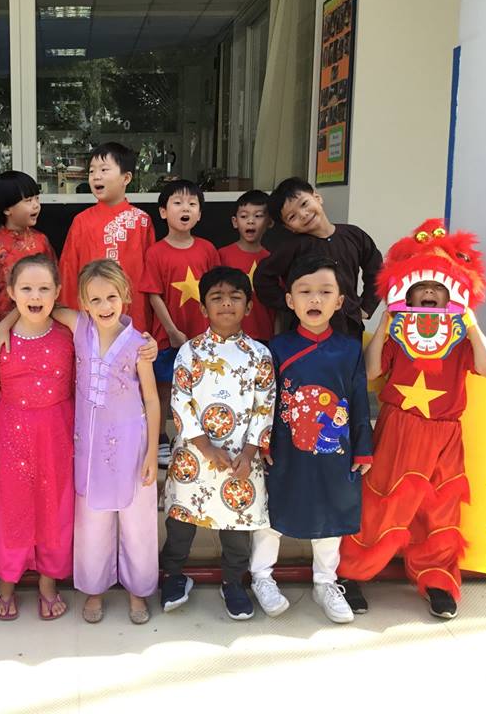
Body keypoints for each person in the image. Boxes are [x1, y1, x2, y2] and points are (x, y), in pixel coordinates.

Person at [338, 222, 486, 619]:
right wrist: (385, 326)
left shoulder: (461, 336)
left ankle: (438, 580)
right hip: (400, 426)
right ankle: (351, 573)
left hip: (446, 432)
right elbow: (372, 371)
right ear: (407, 292)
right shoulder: (399, 332)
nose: (429, 292)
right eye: (421, 286)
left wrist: (470, 324)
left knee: (442, 509)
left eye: (438, 287)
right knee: (381, 502)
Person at [0, 260, 159, 624]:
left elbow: (151, 398)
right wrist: (2, 326)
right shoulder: (80, 327)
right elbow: (33, 307)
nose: (104, 305)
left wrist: (151, 453)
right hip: (88, 446)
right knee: (91, 522)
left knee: (137, 523)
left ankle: (138, 592)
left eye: (111, 297)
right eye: (94, 299)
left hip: (131, 445)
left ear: (125, 295)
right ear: (82, 302)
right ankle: (94, 591)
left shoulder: (137, 344)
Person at [249, 256, 372, 624]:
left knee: (332, 513)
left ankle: (325, 582)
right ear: (290, 300)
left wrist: (363, 447)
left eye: (325, 292)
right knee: (273, 513)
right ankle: (261, 576)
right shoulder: (276, 348)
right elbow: (264, 400)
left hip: (335, 449)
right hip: (284, 449)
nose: (314, 299)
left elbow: (359, 400)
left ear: (340, 301)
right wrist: (263, 441)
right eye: (304, 292)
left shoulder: (350, 349)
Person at [159, 267, 276, 619]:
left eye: (235, 297)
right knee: (181, 520)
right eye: (217, 297)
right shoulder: (190, 352)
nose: (226, 304)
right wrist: (206, 448)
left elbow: (265, 406)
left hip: (241, 458)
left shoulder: (260, 355)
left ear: (249, 306)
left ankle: (233, 582)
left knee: (235, 525)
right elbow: (181, 401)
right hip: (194, 457)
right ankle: (173, 576)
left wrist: (250, 452)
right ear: (203, 307)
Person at [0, 254, 75, 621]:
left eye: (44, 288)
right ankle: (7, 582)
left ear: (57, 292)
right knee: (13, 511)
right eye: (27, 288)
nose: (36, 296)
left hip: (58, 436)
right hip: (12, 436)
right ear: (11, 291)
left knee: (55, 509)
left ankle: (49, 583)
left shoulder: (69, 335)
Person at [139, 179, 221, 466]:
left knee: (201, 386)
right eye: (177, 203)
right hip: (167, 336)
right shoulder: (155, 252)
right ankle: (161, 437)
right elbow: (153, 294)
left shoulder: (208, 250)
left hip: (203, 336)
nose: (185, 208)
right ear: (163, 212)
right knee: (163, 387)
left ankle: (196, 435)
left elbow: (217, 291)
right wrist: (172, 331)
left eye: (192, 204)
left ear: (199, 214)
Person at [254, 177, 382, 338]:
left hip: (349, 327)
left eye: (304, 204)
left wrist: (366, 307)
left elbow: (377, 269)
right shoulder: (292, 247)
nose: (303, 214)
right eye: (292, 217)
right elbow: (263, 277)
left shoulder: (354, 235)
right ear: (289, 228)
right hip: (306, 331)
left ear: (317, 197)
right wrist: (290, 303)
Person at [58, 142, 156, 332]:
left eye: (104, 170)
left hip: (134, 314)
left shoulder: (142, 221)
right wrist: (70, 318)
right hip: (91, 315)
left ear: (126, 178)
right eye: (92, 171)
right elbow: (68, 272)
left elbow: (151, 275)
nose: (96, 176)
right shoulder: (81, 221)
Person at [0, 170, 57, 335]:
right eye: (28, 200)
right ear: (7, 209)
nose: (36, 205)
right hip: (6, 329)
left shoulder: (41, 241)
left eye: (37, 198)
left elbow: (55, 281)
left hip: (42, 323)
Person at [217, 189, 276, 343]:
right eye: (244, 216)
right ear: (235, 221)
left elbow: (279, 307)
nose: (251, 221)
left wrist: (278, 338)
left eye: (258, 216)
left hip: (264, 337)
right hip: (228, 336)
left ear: (270, 222)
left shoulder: (273, 261)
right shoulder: (221, 255)